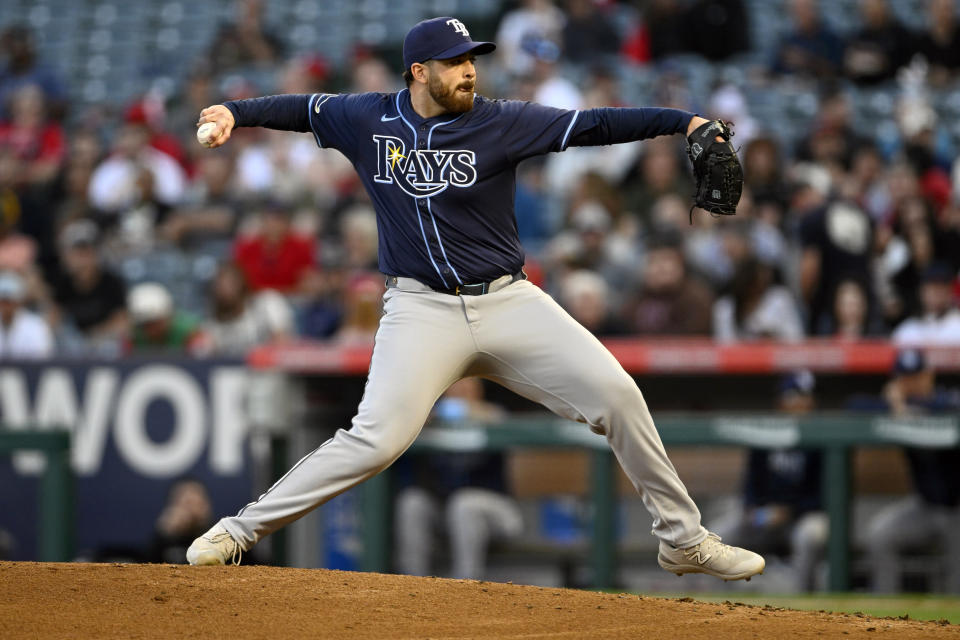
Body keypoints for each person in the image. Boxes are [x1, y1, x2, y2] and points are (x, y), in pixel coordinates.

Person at [186, 16, 764, 582]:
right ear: (418, 71)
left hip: (508, 302)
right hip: (420, 310)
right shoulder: (367, 117)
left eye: (472, 60)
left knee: (617, 394)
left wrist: (681, 121)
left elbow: (593, 125)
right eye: (456, 63)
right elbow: (298, 109)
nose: (469, 72)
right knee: (375, 440)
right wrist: (235, 112)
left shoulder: (502, 121)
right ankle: (239, 531)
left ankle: (684, 540)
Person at [394, 377, 522, 580]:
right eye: (456, 385)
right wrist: (423, 416)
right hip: (446, 512)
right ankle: (413, 583)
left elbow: (496, 417)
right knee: (413, 502)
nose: (463, 389)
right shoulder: (432, 419)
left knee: (464, 503)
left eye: (469, 384)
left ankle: (465, 585)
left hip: (499, 511)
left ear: (478, 389)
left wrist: (450, 411)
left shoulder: (491, 413)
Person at [710, 371, 826, 592]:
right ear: (781, 401)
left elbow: (825, 495)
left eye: (804, 396)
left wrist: (790, 510)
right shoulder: (765, 434)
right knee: (716, 535)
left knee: (809, 535)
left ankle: (801, 606)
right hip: (766, 515)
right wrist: (753, 508)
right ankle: (719, 606)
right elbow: (751, 485)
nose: (799, 403)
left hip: (804, 516)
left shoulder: (822, 437)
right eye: (793, 396)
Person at [859, 349, 960, 593]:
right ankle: (885, 613)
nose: (911, 384)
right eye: (905, 378)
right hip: (924, 506)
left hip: (957, 510)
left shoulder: (949, 401)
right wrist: (896, 407)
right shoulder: (896, 405)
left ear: (929, 375)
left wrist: (902, 411)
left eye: (916, 376)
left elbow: (942, 411)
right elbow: (856, 406)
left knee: (956, 584)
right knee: (881, 535)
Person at [0, 270, 53, 358]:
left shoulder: (36, 325)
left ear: (19, 301)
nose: (6, 306)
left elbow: (42, 357)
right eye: (3, 301)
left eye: (10, 301)